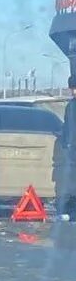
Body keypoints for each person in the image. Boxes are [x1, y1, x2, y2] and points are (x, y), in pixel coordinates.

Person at [56, 75, 76, 215]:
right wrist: (65, 142)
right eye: (72, 89)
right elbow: (67, 127)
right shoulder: (71, 106)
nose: (74, 92)